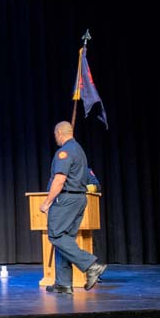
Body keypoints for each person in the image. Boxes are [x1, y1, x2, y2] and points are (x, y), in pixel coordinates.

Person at [39, 121, 107, 294]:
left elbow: (60, 179)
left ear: (59, 132)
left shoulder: (64, 152)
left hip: (66, 199)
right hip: (78, 199)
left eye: (55, 134)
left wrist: (47, 202)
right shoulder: (79, 150)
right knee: (65, 239)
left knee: (56, 236)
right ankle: (63, 283)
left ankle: (91, 265)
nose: (55, 138)